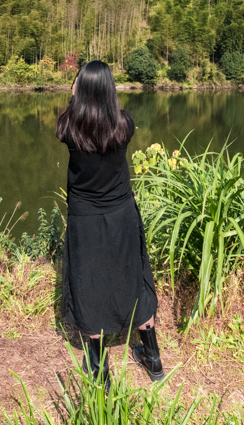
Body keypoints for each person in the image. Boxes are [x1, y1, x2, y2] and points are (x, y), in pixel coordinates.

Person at [56, 60, 164, 385]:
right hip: (121, 213)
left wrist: (76, 93)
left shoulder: (69, 127)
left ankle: (99, 369)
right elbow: (107, 114)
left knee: (89, 283)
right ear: (110, 88)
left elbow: (74, 111)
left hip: (85, 217)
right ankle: (153, 359)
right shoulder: (124, 124)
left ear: (81, 88)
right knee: (134, 276)